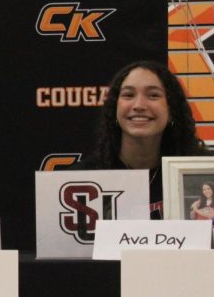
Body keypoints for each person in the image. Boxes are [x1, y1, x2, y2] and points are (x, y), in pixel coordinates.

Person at [82, 60, 206, 218]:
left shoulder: (199, 174)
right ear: (114, 109)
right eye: (128, 95)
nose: (139, 105)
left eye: (153, 95)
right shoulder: (85, 177)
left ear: (172, 110)